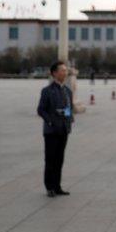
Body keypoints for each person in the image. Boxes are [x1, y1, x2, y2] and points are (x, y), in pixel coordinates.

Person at [37, 61, 74, 197]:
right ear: (54, 73)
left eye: (66, 70)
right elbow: (41, 110)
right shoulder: (47, 91)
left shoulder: (68, 91)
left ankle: (58, 186)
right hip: (51, 131)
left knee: (59, 160)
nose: (65, 73)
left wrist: (69, 119)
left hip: (64, 130)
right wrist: (51, 121)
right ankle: (49, 187)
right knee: (50, 160)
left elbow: (70, 109)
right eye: (62, 70)